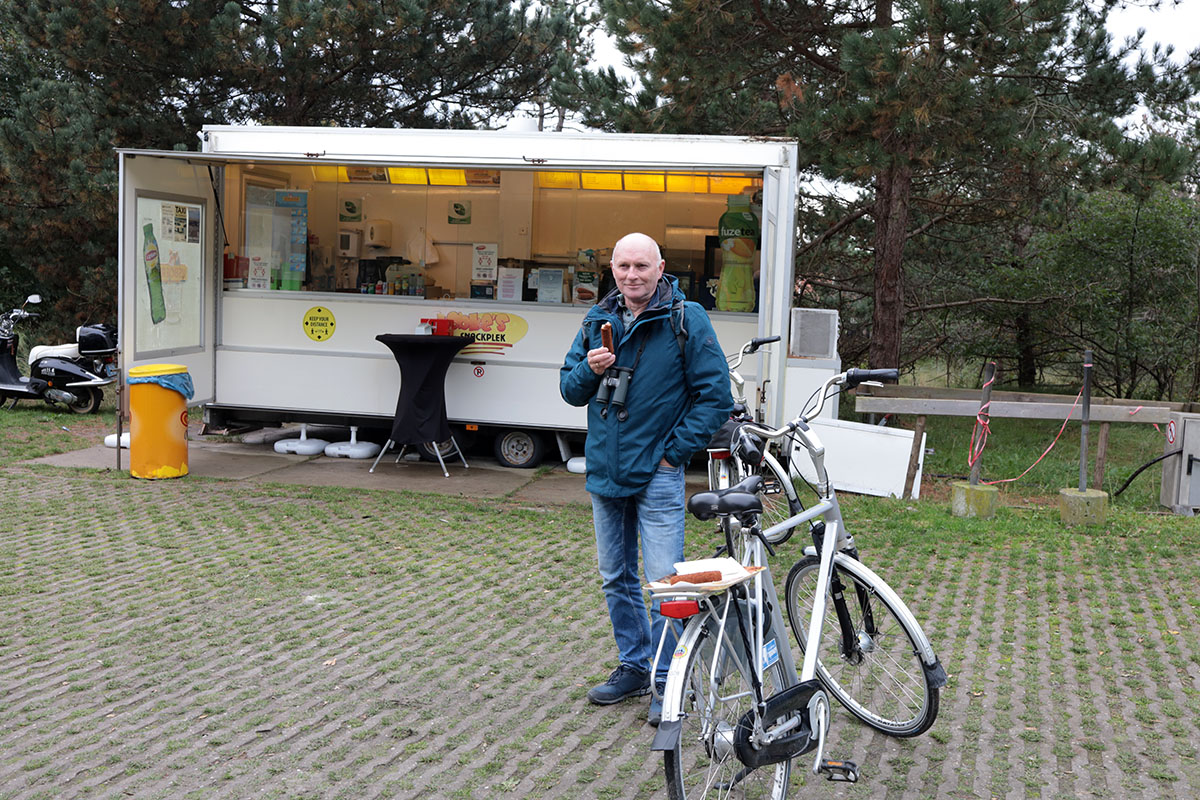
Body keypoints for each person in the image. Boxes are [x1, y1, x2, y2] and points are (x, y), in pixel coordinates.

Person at [560, 232, 733, 726]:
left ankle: (667, 681)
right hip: (606, 472)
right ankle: (635, 666)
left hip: (657, 475)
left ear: (660, 269)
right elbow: (569, 391)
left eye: (641, 266)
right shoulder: (598, 320)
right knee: (616, 577)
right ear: (611, 269)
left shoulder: (686, 319)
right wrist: (590, 372)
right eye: (623, 267)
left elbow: (715, 397)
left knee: (664, 585)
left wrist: (672, 455)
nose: (632, 275)